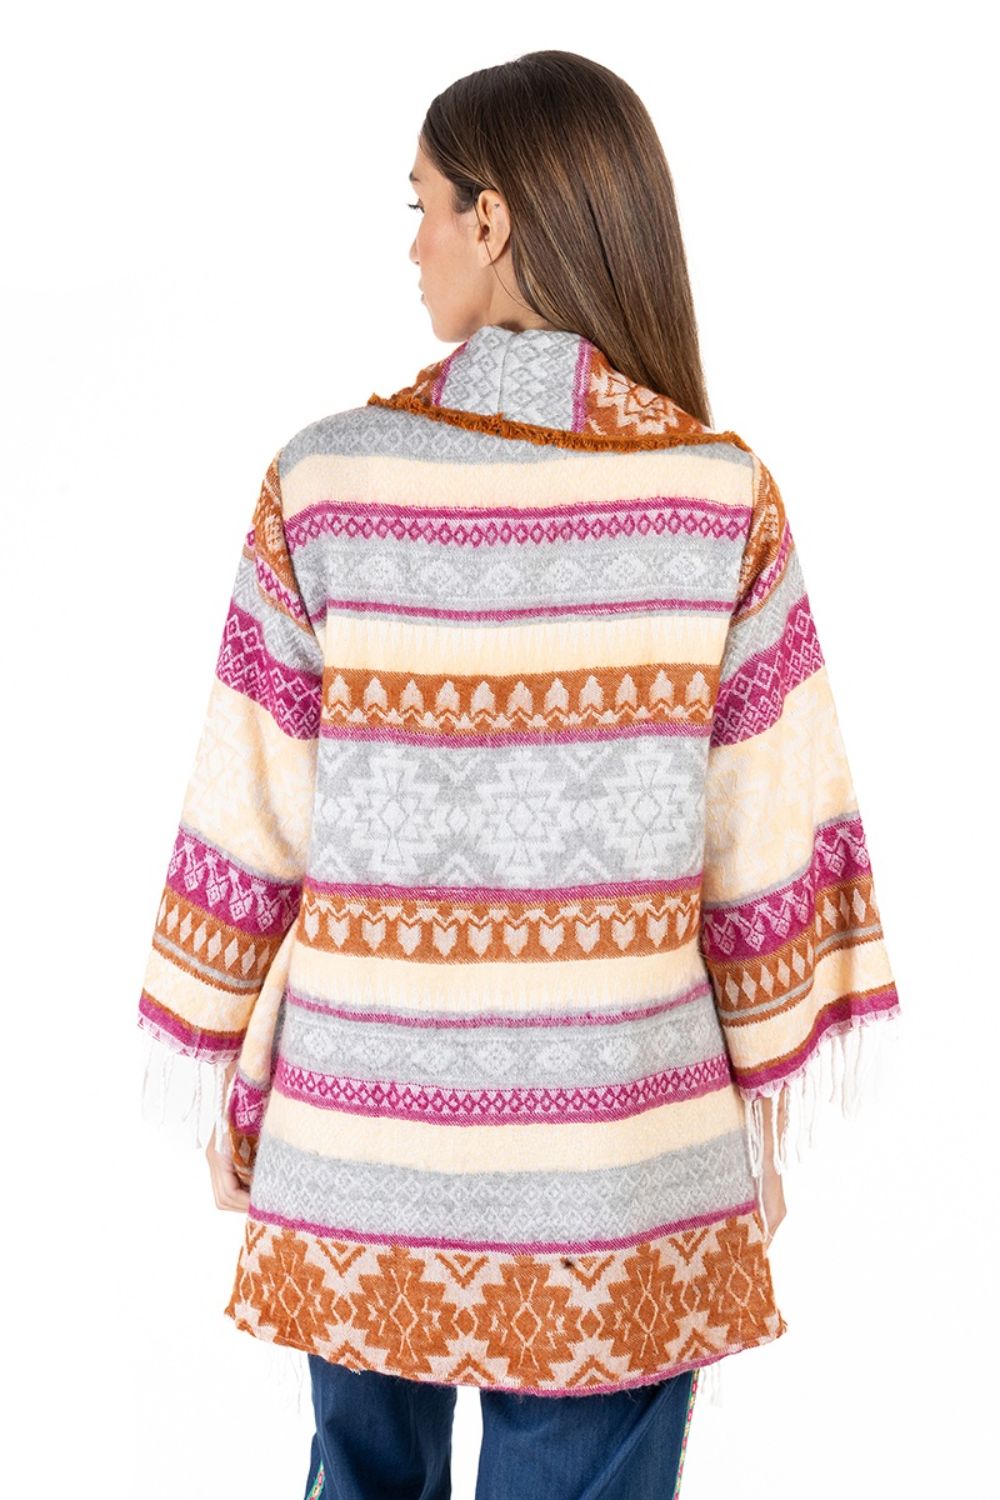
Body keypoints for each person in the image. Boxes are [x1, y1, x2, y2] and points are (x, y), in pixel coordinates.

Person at [137, 50, 901, 1500]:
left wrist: (236, 1074)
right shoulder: (718, 498)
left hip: (361, 1137)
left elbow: (254, 826)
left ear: (491, 221)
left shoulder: (323, 483)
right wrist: (753, 1116)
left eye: (421, 205)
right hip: (622, 1155)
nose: (411, 243)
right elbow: (765, 851)